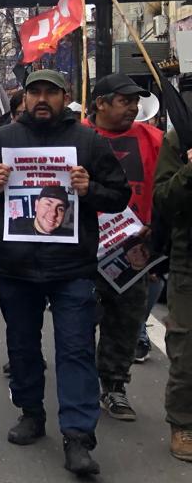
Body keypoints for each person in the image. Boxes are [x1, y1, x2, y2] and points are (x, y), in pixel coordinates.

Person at [0, 69, 130, 477]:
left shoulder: (87, 142)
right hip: (17, 267)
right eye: (35, 92)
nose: (42, 99)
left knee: (75, 349)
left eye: (51, 93)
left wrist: (90, 188)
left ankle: (77, 437)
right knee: (22, 345)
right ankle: (31, 413)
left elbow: (119, 195)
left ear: (66, 97)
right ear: (24, 98)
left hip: (72, 268)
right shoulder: (4, 140)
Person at [83, 73, 165, 421]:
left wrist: (157, 235)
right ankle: (81, 384)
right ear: (101, 103)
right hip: (85, 249)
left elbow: (164, 188)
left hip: (134, 250)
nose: (134, 107)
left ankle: (114, 387)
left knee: (125, 321)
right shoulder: (76, 137)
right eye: (125, 100)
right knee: (80, 321)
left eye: (136, 101)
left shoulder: (154, 138)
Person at [153, 117, 192, 462]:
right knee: (187, 349)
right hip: (189, 264)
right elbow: (164, 199)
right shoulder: (182, 137)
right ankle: (183, 422)